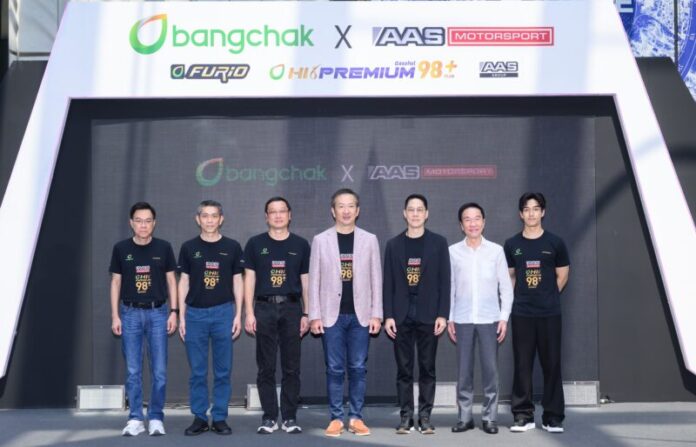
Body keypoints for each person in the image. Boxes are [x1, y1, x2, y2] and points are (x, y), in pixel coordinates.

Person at [308, 188, 382, 437]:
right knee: (334, 368)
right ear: (333, 211)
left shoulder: (369, 240)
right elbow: (314, 280)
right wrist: (314, 315)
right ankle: (336, 418)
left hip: (362, 315)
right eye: (341, 206)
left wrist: (377, 314)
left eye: (351, 206)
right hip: (331, 316)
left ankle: (356, 417)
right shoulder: (321, 240)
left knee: (358, 367)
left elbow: (376, 278)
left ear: (357, 210)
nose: (346, 210)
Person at [383, 194, 450, 435]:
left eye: (419, 209)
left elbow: (445, 281)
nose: (415, 214)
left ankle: (425, 417)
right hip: (401, 314)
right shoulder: (393, 245)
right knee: (404, 369)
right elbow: (388, 283)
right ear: (404, 213)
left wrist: (443, 314)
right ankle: (405, 417)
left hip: (429, 313)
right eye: (411, 209)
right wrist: (388, 315)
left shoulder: (439, 243)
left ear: (426, 214)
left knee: (427, 368)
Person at [243, 197, 311, 435]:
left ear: (290, 215)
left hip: (292, 309)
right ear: (266, 216)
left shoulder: (301, 244)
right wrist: (249, 312)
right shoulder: (255, 244)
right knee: (266, 367)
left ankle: (290, 417)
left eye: (282, 211)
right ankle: (270, 417)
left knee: (292, 367)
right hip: (264, 308)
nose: (278, 215)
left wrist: (307, 312)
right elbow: (249, 279)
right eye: (273, 212)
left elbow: (305, 281)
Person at [109, 202, 178, 437]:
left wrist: (174, 311)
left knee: (159, 371)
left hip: (158, 312)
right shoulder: (121, 249)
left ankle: (156, 417)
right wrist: (115, 315)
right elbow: (115, 282)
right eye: (138, 221)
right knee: (133, 370)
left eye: (148, 221)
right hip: (129, 313)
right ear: (131, 223)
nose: (143, 225)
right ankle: (136, 418)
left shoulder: (164, 247)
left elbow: (172, 280)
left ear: (154, 223)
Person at [504, 192, 570, 434]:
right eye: (526, 209)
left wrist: (547, 296)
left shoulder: (555, 243)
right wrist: (521, 298)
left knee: (552, 364)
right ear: (520, 214)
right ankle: (523, 415)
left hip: (549, 313)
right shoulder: (512, 244)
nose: (531, 213)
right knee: (522, 365)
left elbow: (562, 275)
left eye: (535, 208)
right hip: (522, 313)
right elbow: (510, 277)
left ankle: (553, 417)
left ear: (543, 212)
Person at [177, 200, 244, 436]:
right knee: (197, 371)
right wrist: (182, 316)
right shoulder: (188, 247)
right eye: (205, 215)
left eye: (214, 215)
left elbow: (238, 281)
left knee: (223, 371)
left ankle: (220, 418)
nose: (209, 220)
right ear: (198, 219)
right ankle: (199, 417)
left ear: (221, 219)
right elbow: (183, 282)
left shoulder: (232, 247)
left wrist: (238, 314)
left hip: (223, 313)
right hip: (194, 315)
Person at [448, 202, 513, 435]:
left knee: (490, 371)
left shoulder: (496, 251)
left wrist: (503, 318)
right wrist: (450, 318)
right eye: (467, 219)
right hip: (462, 318)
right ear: (461, 225)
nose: (472, 223)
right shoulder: (453, 252)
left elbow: (506, 287)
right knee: (463, 372)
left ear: (484, 222)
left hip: (490, 319)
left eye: (477, 218)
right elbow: (450, 288)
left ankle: (490, 417)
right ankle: (464, 417)